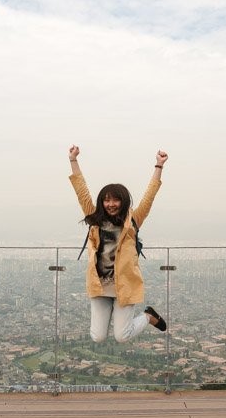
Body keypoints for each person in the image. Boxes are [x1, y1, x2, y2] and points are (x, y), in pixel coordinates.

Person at [68, 145, 168, 343]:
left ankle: (148, 316)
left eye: (115, 200)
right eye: (106, 200)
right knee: (97, 337)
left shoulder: (133, 221)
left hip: (124, 285)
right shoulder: (94, 219)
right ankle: (145, 316)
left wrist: (159, 165)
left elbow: (149, 198)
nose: (111, 204)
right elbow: (82, 191)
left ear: (123, 202)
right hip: (99, 285)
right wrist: (73, 160)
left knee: (122, 336)